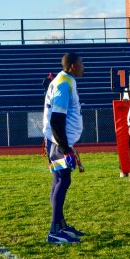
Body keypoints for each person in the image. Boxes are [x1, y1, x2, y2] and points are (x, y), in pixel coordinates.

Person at [42, 52, 87, 244]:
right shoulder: (64, 83)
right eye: (81, 63)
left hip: (57, 140)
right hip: (58, 141)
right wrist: (65, 147)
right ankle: (54, 230)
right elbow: (57, 118)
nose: (84, 66)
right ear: (73, 66)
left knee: (59, 180)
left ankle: (60, 224)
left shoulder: (65, 80)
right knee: (63, 180)